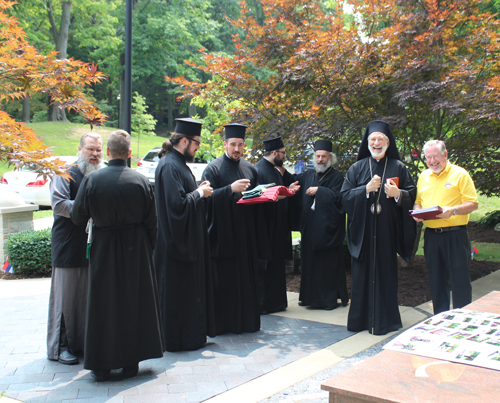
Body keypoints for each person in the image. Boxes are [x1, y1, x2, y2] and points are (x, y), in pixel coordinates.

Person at [70, 130, 163, 381]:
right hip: (136, 248)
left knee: (103, 304)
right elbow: (152, 223)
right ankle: (130, 363)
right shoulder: (141, 181)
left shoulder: (92, 181)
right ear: (130, 153)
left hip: (104, 247)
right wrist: (147, 247)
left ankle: (101, 365)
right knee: (133, 303)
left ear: (108, 153)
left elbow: (77, 216)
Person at [341, 121, 417, 335]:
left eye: (380, 140)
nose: (376, 143)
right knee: (361, 278)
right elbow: (344, 199)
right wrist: (364, 190)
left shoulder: (398, 167)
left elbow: (412, 194)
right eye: (372, 140)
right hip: (364, 234)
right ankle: (360, 321)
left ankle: (386, 321)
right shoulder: (356, 168)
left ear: (387, 142)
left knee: (386, 276)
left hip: (386, 234)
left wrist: (398, 195)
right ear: (367, 143)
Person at [153, 118, 216, 352]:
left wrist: (199, 190)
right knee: (177, 295)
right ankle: (178, 340)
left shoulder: (178, 163)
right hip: (174, 247)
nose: (198, 148)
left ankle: (191, 337)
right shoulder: (170, 165)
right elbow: (176, 206)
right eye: (197, 143)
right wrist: (199, 193)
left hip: (184, 244)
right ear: (184, 140)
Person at [47, 132, 104, 365]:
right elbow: (59, 204)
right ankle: (60, 347)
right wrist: (88, 208)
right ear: (80, 149)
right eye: (91, 149)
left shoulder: (100, 174)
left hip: (92, 246)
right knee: (66, 299)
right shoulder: (64, 172)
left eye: (99, 150)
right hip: (68, 245)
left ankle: (81, 344)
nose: (95, 154)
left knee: (86, 299)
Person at [201, 123, 264, 334]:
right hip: (223, 235)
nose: (236, 149)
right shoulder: (213, 168)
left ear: (244, 145)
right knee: (225, 283)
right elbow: (205, 200)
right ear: (225, 144)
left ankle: (246, 322)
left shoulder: (250, 168)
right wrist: (229, 190)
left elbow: (255, 197)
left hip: (245, 235)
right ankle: (223, 325)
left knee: (245, 281)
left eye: (240, 145)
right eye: (232, 144)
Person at [412, 140, 478, 314]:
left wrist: (454, 210)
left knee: (460, 280)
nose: (432, 161)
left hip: (455, 236)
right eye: (428, 157)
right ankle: (440, 318)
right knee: (436, 279)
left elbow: (473, 203)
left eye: (436, 156)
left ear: (445, 155)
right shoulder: (424, 176)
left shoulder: (460, 174)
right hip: (432, 236)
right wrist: (417, 213)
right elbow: (418, 201)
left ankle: (461, 319)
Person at [294, 140, 348, 310]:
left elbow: (340, 200)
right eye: (318, 156)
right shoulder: (308, 175)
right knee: (309, 265)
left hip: (327, 233)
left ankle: (327, 300)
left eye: (324, 156)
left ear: (330, 157)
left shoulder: (336, 177)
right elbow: (294, 185)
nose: (320, 159)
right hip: (309, 230)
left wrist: (320, 191)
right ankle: (309, 299)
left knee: (326, 267)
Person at [254, 136, 299, 314]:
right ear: (274, 153)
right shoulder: (258, 170)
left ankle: (277, 303)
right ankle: (265, 304)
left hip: (278, 227)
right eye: (282, 152)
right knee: (267, 267)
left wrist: (289, 192)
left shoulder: (274, 170)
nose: (284, 155)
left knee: (277, 267)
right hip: (266, 227)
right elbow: (259, 197)